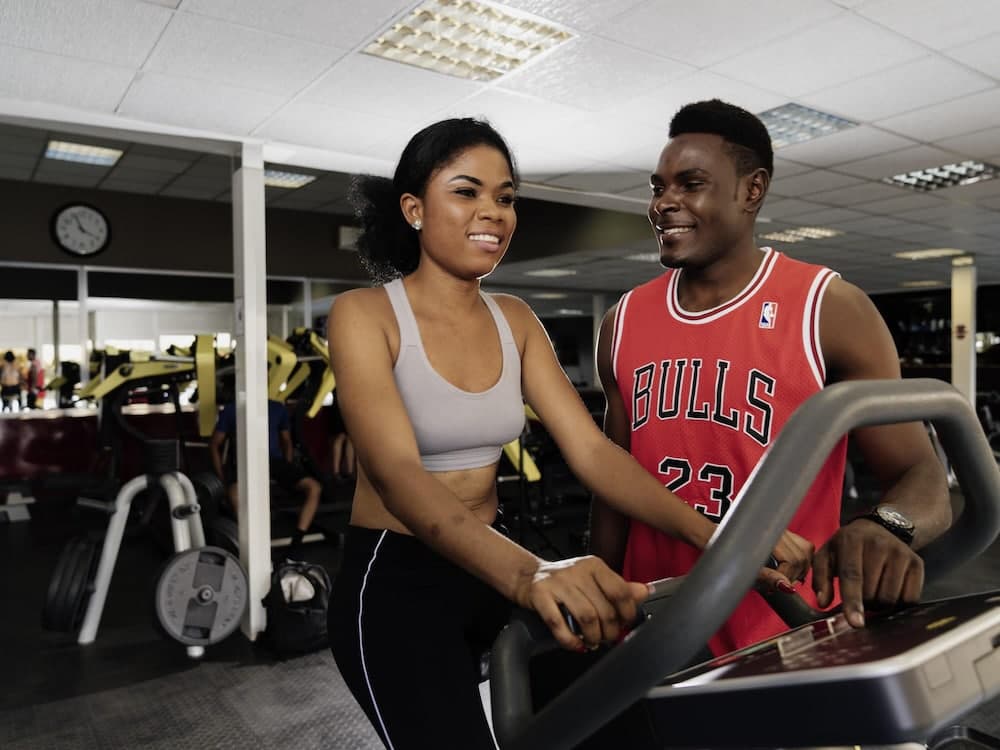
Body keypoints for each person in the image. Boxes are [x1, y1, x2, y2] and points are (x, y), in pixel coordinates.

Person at [325, 117, 812, 750]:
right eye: (467, 192)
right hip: (398, 576)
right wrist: (530, 575)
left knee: (611, 714)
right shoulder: (364, 315)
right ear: (414, 209)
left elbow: (591, 452)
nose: (493, 212)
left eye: (505, 197)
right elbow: (398, 476)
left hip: (492, 554)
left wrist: (719, 537)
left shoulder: (515, 319)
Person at [591, 99, 952, 657]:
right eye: (658, 187)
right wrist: (601, 602)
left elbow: (921, 474)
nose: (664, 203)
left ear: (751, 190)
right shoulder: (622, 321)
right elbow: (611, 487)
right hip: (653, 623)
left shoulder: (828, 309)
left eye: (691, 184)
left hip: (783, 630)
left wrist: (886, 525)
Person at [209, 398, 322, 552]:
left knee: (314, 488)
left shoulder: (277, 408)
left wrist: (287, 467)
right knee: (235, 496)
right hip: (245, 462)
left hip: (274, 461)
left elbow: (286, 441)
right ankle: (253, 545)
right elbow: (214, 444)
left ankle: (296, 545)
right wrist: (221, 478)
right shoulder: (231, 409)